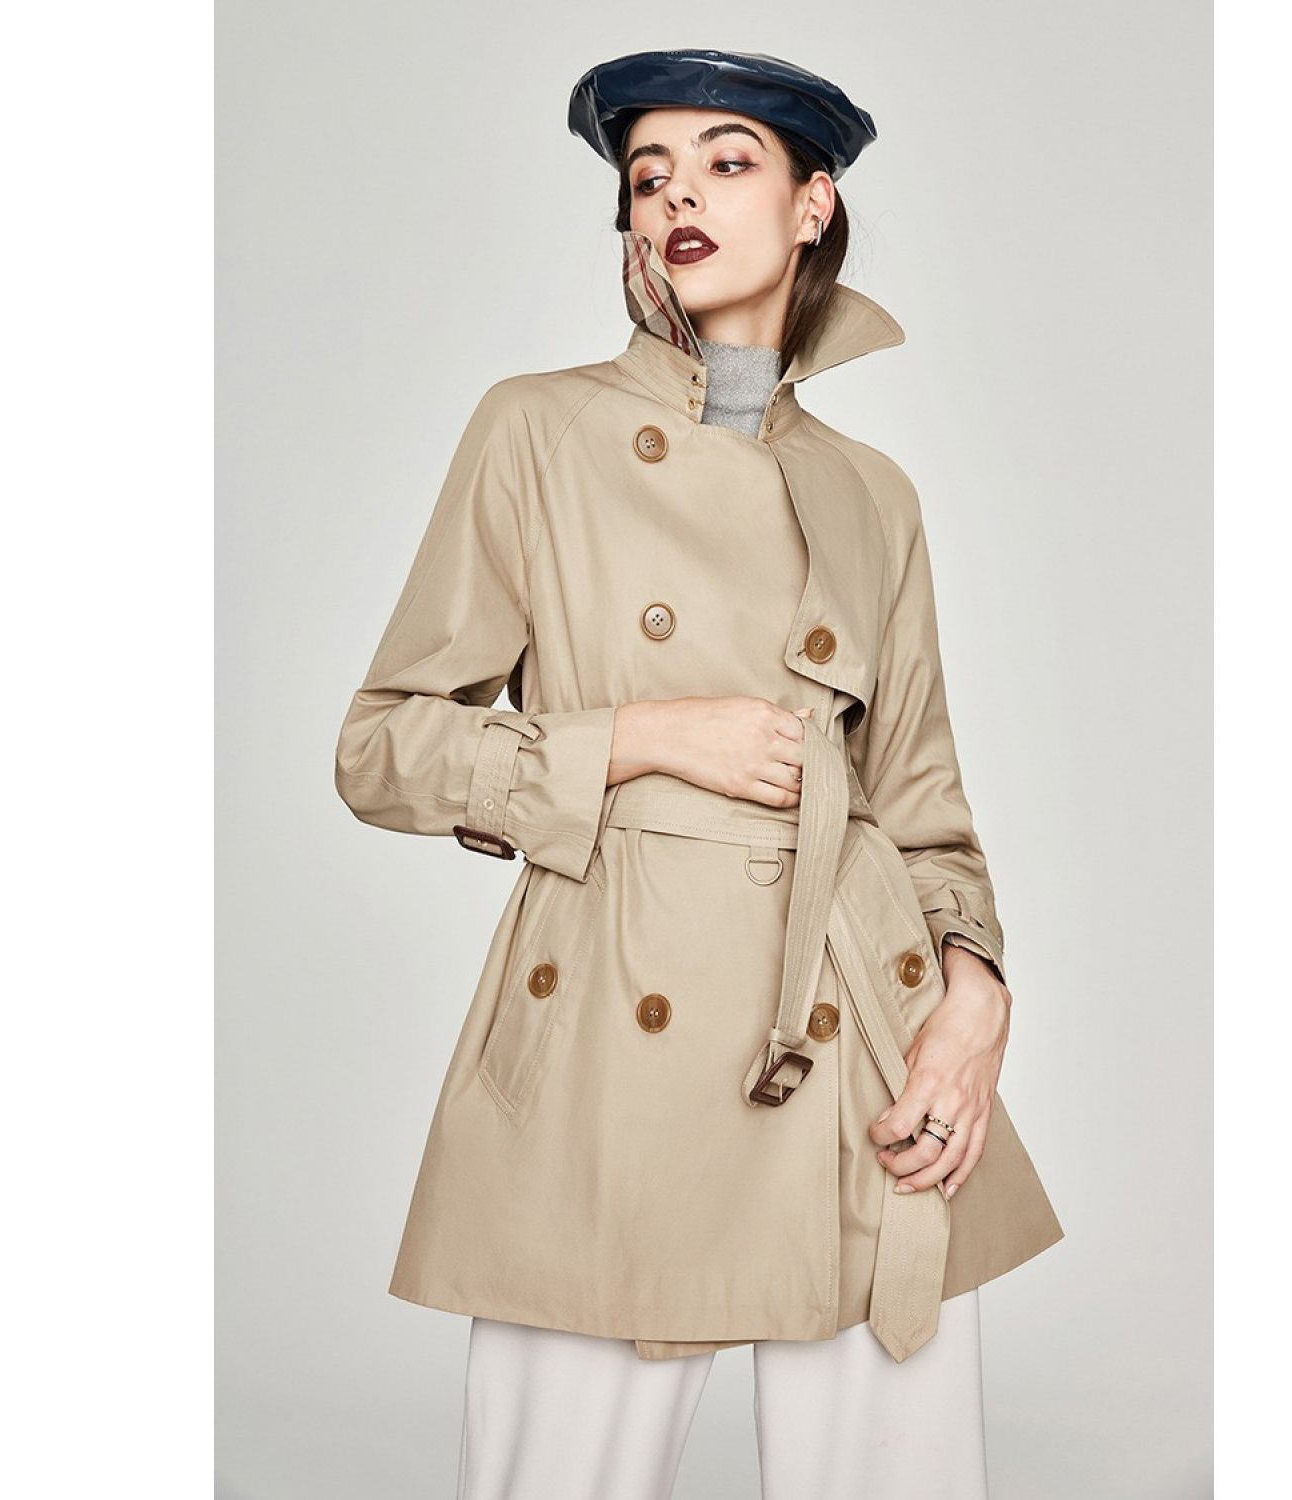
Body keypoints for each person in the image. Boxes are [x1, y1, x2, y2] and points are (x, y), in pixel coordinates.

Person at [335, 47, 1064, 1499]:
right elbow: (381, 747)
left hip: (855, 1022)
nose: (677, 196)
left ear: (812, 205)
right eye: (649, 174)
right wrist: (645, 738)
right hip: (616, 1013)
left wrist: (976, 1001)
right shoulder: (537, 429)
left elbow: (921, 802)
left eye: (729, 163)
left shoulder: (872, 493)